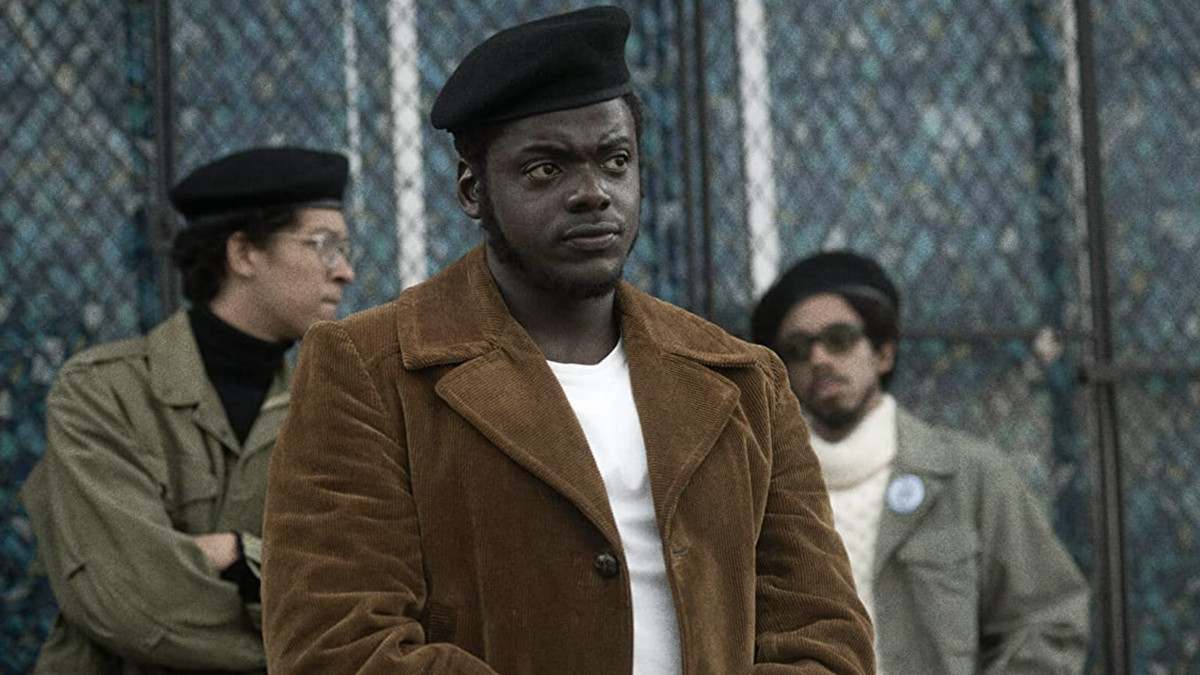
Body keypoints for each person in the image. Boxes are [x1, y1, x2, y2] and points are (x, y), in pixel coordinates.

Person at [262, 7, 874, 674]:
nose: (593, 193)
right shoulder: (373, 369)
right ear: (472, 189)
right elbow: (337, 643)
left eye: (615, 160)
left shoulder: (742, 378)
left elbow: (824, 636)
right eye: (546, 170)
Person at [20, 146, 356, 673]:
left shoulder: (336, 410)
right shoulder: (101, 394)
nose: (345, 272)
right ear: (243, 253)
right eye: (324, 245)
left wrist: (235, 554)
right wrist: (305, 643)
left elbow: (358, 585)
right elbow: (128, 598)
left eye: (343, 249)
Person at [750, 250, 1091, 674]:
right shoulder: (759, 491)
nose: (819, 359)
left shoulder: (969, 476)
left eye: (839, 339)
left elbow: (1050, 620)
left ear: (883, 353)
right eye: (797, 349)